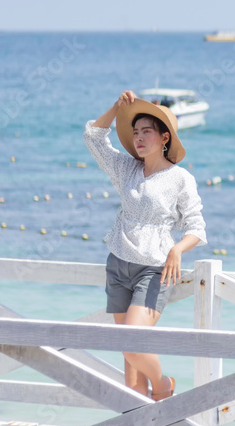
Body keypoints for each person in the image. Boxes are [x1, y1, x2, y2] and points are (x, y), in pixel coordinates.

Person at [84, 90, 207, 402]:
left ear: (165, 137)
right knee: (130, 369)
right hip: (117, 265)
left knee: (131, 343)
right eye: (135, 132)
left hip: (153, 270)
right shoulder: (126, 168)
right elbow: (94, 137)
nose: (138, 138)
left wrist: (177, 250)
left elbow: (196, 227)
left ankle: (163, 383)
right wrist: (117, 107)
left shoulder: (180, 178)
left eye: (146, 132)